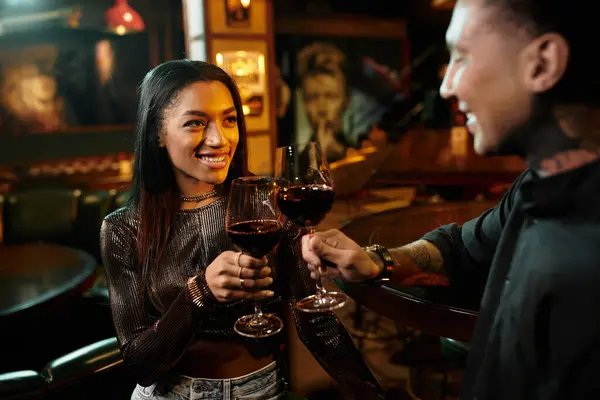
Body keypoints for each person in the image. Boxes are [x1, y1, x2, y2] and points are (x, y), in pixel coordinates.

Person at [301, 0, 600, 399]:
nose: (447, 85)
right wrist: (377, 260)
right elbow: (465, 247)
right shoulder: (537, 183)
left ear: (542, 63)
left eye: (461, 56)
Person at [100, 60, 386, 399]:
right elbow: (140, 365)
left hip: (262, 390)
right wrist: (200, 292)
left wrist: (373, 395)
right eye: (195, 123)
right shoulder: (122, 228)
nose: (219, 139)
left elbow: (317, 324)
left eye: (229, 119)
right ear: (157, 134)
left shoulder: (270, 206)